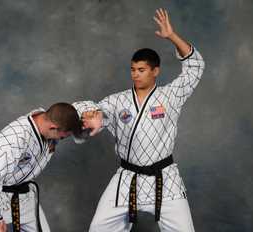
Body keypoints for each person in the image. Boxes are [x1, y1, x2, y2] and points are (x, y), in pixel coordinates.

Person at [74, 8, 205, 232]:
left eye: (142, 70)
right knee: (98, 228)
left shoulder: (171, 96)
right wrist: (91, 117)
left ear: (156, 71)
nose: (135, 74)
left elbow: (195, 67)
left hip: (165, 178)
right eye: (133, 69)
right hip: (128, 178)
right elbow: (96, 110)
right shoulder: (118, 101)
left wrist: (172, 37)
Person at [0, 102, 82, 232]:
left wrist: (92, 117)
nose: (61, 139)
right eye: (62, 137)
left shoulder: (48, 120)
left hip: (23, 193)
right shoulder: (14, 139)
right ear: (53, 127)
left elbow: (76, 113)